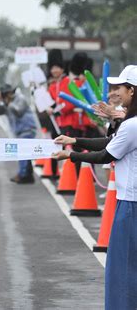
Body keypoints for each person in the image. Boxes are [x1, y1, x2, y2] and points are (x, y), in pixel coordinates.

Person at [52, 65, 137, 310]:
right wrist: (75, 141)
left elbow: (104, 155)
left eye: (120, 87)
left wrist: (70, 156)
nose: (115, 92)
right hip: (129, 201)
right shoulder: (130, 123)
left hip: (130, 205)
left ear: (132, 91)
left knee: (122, 269)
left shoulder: (131, 126)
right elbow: (110, 141)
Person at [0, 84, 37, 184]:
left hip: (27, 129)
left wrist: (8, 102)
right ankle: (28, 176)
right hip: (19, 131)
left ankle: (22, 175)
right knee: (26, 153)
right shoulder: (6, 102)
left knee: (22, 152)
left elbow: (19, 112)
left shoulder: (20, 98)